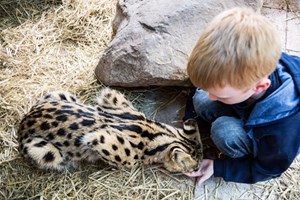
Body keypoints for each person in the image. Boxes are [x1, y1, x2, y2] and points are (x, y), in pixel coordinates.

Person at [183, 7, 300, 186]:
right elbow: (207, 89)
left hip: (271, 124)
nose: (212, 96)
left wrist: (220, 167)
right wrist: (189, 122)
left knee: (224, 131)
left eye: (221, 95)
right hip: (250, 104)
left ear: (259, 86)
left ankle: (243, 138)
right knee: (201, 100)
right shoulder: (250, 68)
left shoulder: (283, 132)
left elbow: (270, 169)